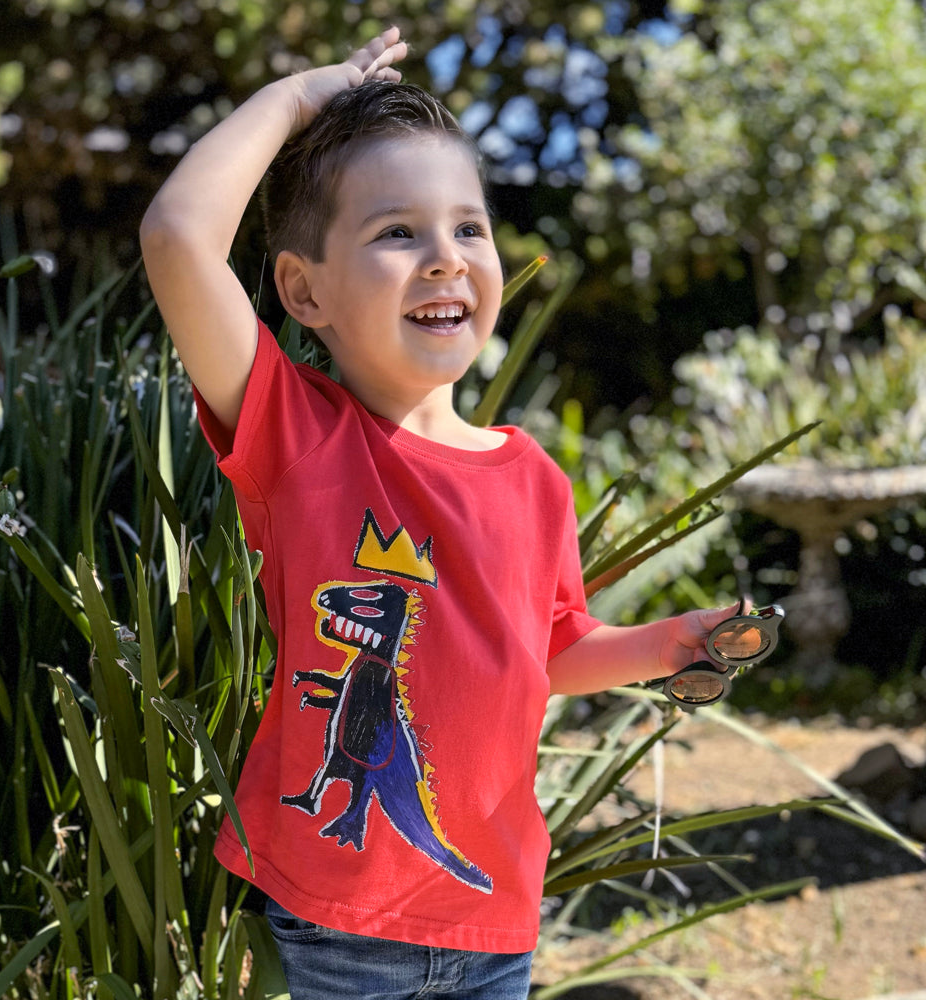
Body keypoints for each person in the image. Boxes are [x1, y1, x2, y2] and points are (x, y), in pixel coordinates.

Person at [140, 26, 737, 1000]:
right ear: (304, 290)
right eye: (396, 233)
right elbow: (177, 237)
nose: (444, 258)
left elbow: (547, 648)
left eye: (468, 227)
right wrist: (300, 96)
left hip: (496, 918)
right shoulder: (297, 437)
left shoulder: (533, 476)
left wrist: (668, 644)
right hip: (345, 929)